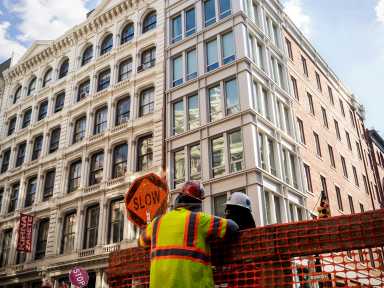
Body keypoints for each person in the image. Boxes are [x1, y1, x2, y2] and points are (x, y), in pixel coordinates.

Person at [139, 181, 239, 288]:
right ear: (198, 202)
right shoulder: (198, 219)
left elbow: (141, 242)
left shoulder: (157, 222)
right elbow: (232, 227)